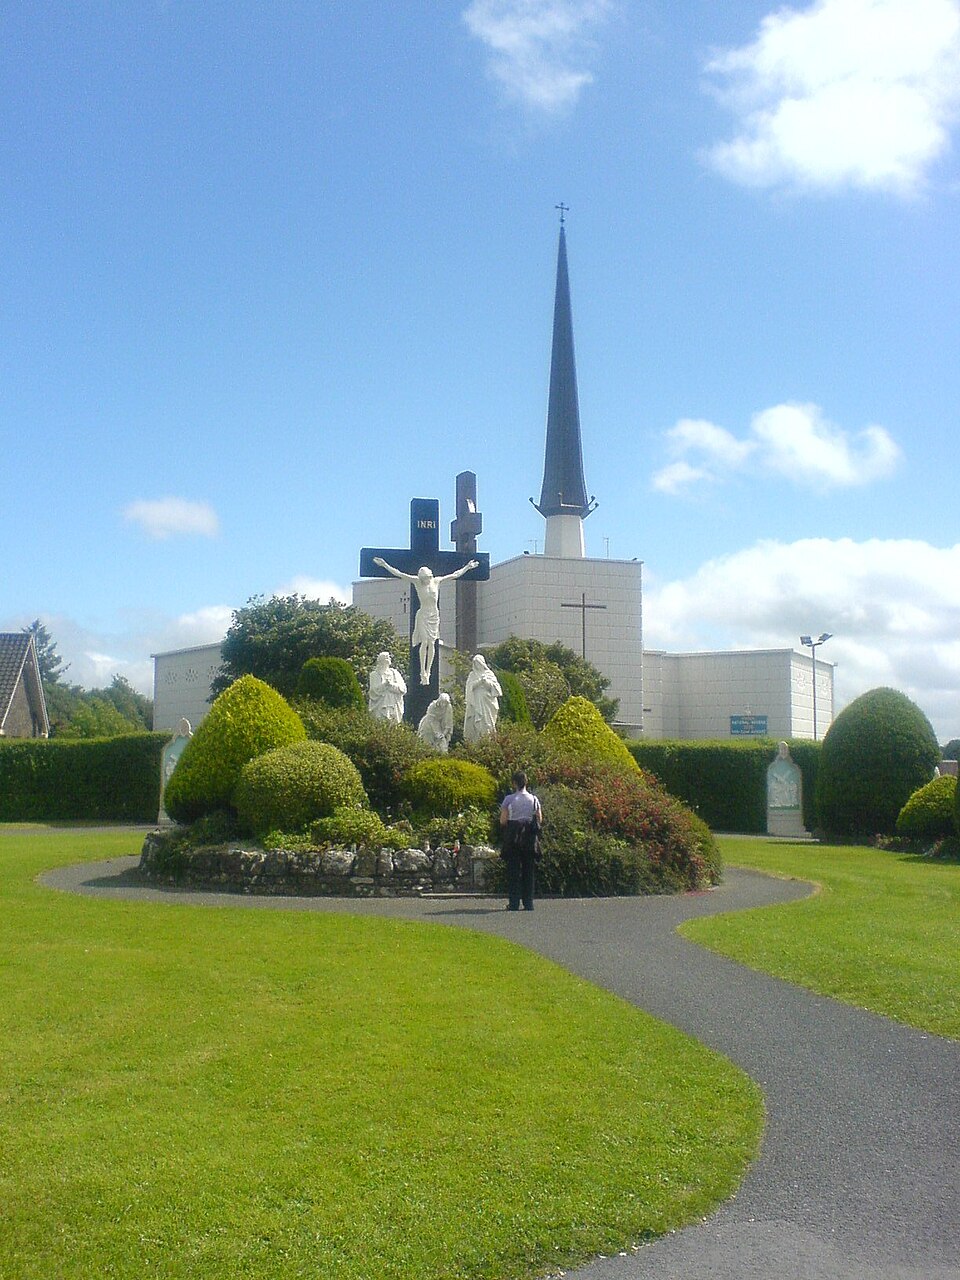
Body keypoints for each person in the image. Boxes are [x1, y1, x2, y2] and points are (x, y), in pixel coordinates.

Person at [372, 557, 479, 685]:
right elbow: (400, 574)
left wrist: (467, 567)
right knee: (424, 641)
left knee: (432, 643)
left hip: (434, 615)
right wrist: (385, 565)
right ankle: (422, 672)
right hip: (423, 614)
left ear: (430, 576)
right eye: (423, 579)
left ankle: (428, 671)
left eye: (427, 578)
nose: (425, 581)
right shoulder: (417, 582)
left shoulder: (437, 581)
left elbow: (454, 575)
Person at [499, 770, 542, 911]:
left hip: (514, 837)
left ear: (514, 783)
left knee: (514, 871)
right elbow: (539, 819)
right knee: (529, 870)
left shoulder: (509, 799)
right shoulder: (534, 799)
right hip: (529, 837)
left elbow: (503, 820)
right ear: (526, 782)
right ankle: (528, 903)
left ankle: (514, 903)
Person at [463, 653, 502, 743]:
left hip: (487, 702)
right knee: (476, 722)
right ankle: (476, 741)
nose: (477, 665)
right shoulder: (472, 675)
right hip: (476, 701)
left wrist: (486, 682)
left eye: (479, 663)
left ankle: (487, 739)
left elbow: (496, 689)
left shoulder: (489, 674)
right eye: (476, 663)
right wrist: (479, 682)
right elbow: (469, 687)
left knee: (487, 721)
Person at [368, 651, 406, 723]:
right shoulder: (374, 674)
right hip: (380, 704)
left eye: (388, 658)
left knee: (393, 723)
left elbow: (403, 689)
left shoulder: (395, 673)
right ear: (380, 661)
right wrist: (384, 685)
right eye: (385, 658)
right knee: (380, 722)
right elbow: (372, 692)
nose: (388, 659)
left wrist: (391, 685)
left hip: (394, 704)